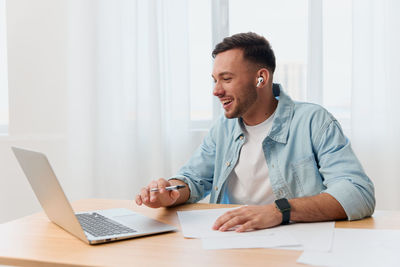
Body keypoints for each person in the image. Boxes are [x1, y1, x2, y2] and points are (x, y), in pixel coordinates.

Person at [135, 32, 375, 232]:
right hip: (232, 241)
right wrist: (172, 192)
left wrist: (278, 211)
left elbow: (358, 192)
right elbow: (194, 179)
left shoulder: (314, 121)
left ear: (261, 78)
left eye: (226, 79)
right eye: (214, 80)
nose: (216, 91)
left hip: (297, 243)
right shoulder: (223, 128)